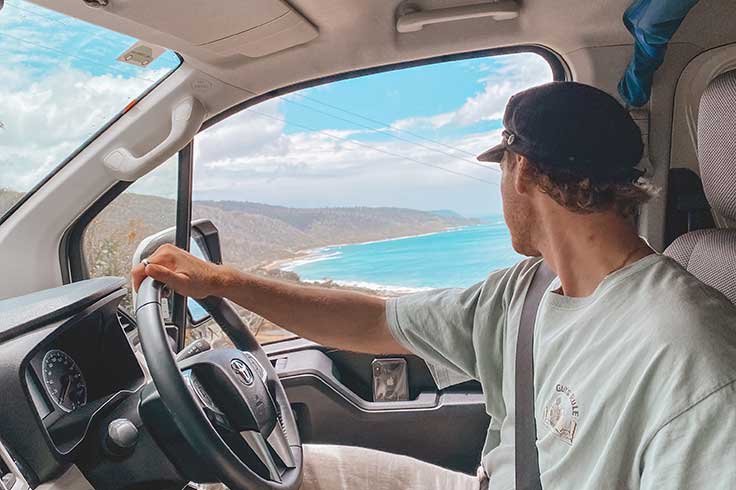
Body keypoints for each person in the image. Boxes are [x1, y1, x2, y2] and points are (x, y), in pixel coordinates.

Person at [132, 82, 736, 490]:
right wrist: (224, 282)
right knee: (282, 470)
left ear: (520, 169)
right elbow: (374, 322)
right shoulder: (524, 292)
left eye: (501, 170)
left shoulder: (690, 353)